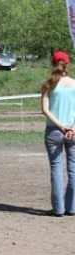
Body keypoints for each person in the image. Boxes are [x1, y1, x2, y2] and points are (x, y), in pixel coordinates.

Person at [41, 51, 75, 217]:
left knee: (56, 169)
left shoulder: (48, 84)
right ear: (67, 64)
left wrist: (61, 127)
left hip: (54, 130)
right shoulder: (74, 84)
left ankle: (58, 209)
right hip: (73, 131)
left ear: (53, 64)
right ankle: (71, 207)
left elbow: (45, 110)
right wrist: (72, 128)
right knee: (73, 169)